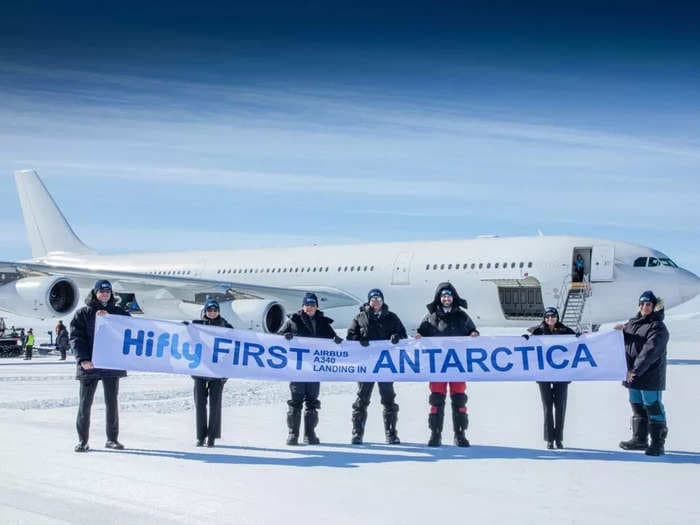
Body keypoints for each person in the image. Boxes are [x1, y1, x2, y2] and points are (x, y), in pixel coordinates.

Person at [416, 282, 479, 447]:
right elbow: (421, 332)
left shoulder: (462, 315)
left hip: (457, 364)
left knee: (459, 399)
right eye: (443, 296)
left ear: (453, 298)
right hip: (437, 365)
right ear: (439, 298)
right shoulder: (431, 316)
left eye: (449, 296)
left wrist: (474, 333)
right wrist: (418, 336)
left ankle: (460, 435)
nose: (446, 298)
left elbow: (472, 330)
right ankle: (435, 434)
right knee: (436, 399)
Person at [70, 280, 130, 452]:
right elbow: (76, 338)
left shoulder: (118, 312)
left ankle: (112, 439)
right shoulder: (83, 313)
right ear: (95, 293)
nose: (105, 294)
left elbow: (132, 329)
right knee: (85, 404)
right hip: (90, 365)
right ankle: (83, 441)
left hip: (111, 365)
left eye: (108, 291)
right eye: (101, 291)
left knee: (112, 403)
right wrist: (83, 359)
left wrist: (111, 319)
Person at [278, 292, 342, 445]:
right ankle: (293, 434)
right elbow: (277, 338)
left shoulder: (323, 322)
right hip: (298, 368)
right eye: (307, 305)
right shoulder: (293, 320)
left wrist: (337, 340)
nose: (310, 308)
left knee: (312, 401)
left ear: (316, 307)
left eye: (312, 305)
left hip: (315, 368)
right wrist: (285, 336)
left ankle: (310, 434)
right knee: (296, 401)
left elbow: (332, 339)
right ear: (303, 306)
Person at [346, 288, 407, 445]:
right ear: (369, 301)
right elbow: (350, 336)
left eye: (378, 299)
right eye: (373, 299)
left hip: (385, 365)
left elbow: (403, 335)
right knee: (361, 400)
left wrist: (396, 337)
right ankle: (357, 433)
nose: (376, 302)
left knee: (389, 400)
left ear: (382, 301)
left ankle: (391, 433)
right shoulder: (360, 317)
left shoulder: (392, 317)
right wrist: (360, 340)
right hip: (366, 365)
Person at [615, 290, 670, 456]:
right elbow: (626, 342)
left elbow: (650, 351)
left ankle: (657, 444)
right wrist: (618, 332)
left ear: (654, 307)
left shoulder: (658, 327)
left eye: (648, 304)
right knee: (637, 405)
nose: (645, 307)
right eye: (642, 304)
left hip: (649, 375)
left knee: (652, 406)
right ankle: (639, 440)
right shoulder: (632, 323)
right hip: (632, 375)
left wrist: (635, 370)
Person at [525, 306, 576, 449]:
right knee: (548, 406)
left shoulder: (566, 331)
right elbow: (529, 346)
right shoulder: (538, 331)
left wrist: (582, 336)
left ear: (557, 317)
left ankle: (559, 438)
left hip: (561, 374)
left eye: (552, 316)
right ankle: (549, 439)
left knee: (560, 406)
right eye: (547, 317)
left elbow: (577, 342)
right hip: (544, 374)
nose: (550, 319)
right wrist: (525, 339)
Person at [190, 299, 232, 448]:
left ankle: (212, 437)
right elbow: (187, 338)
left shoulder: (226, 327)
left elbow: (232, 349)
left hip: (217, 372)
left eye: (215, 310)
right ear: (205, 311)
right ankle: (201, 436)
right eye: (209, 310)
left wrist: (226, 372)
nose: (212, 312)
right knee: (200, 405)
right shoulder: (197, 325)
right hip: (200, 370)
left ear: (218, 311)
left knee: (215, 405)